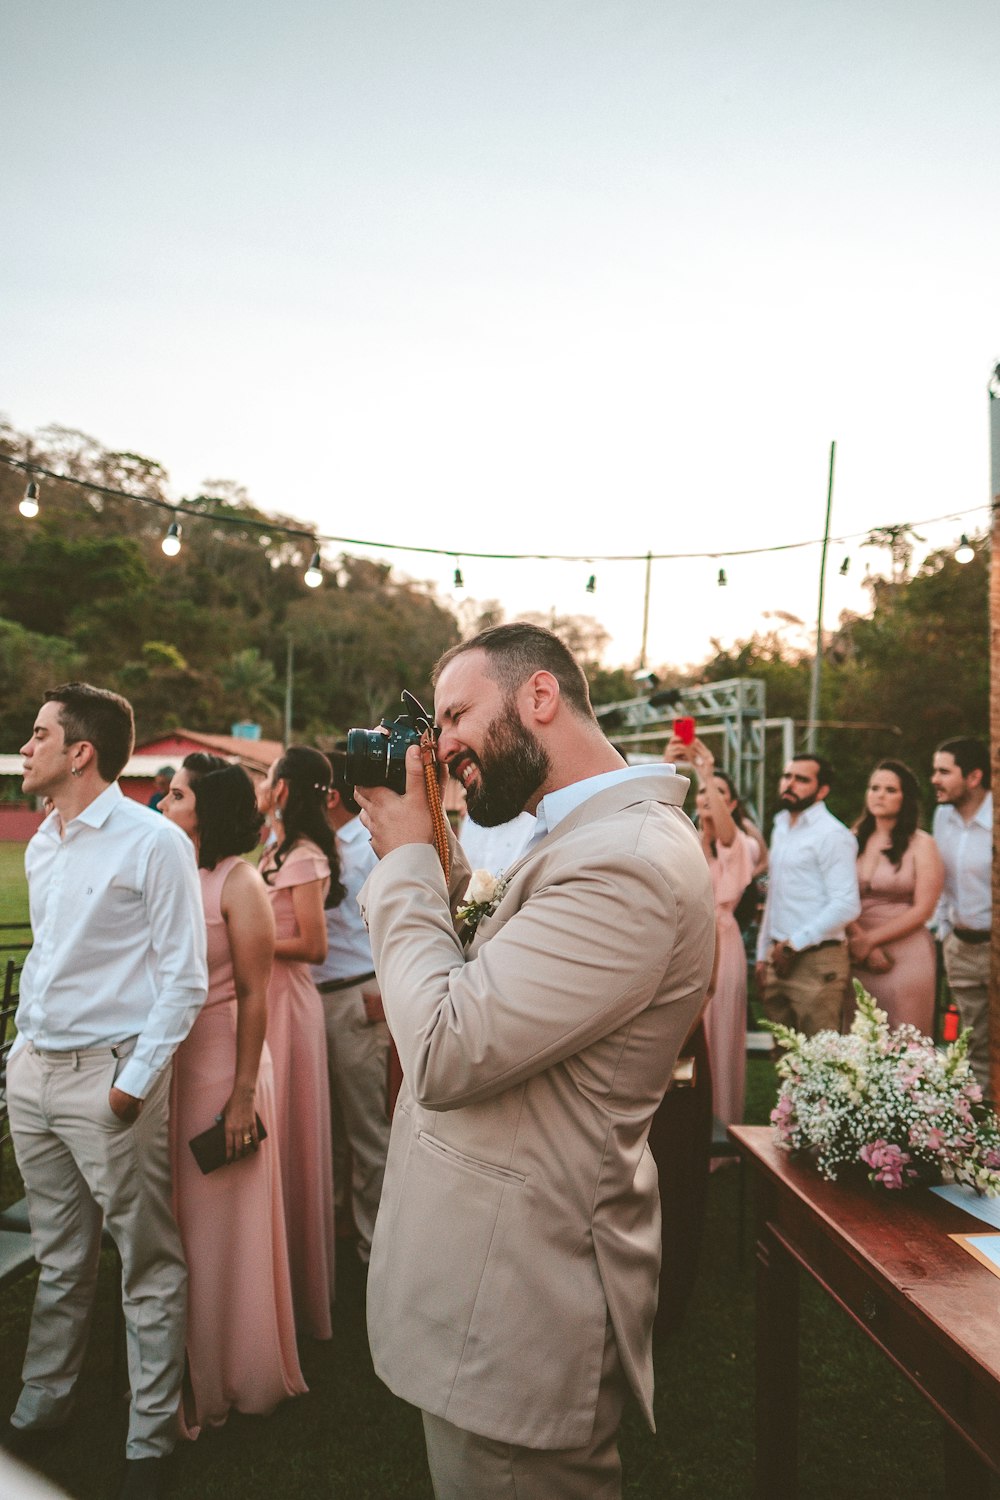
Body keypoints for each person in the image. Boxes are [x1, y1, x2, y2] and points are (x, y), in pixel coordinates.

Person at [355, 623, 715, 1500]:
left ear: (540, 697)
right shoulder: (581, 837)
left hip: (518, 1299)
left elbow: (441, 1049)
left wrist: (404, 859)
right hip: (491, 1266)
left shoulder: (625, 860)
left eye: (454, 715)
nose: (440, 748)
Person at [5, 684, 207, 1500]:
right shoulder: (42, 844)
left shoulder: (152, 841)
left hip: (107, 1081)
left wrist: (129, 1088)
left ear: (80, 751)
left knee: (146, 1262)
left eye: (38, 733)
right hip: (35, 1077)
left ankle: (149, 1440)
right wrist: (19, 1055)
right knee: (58, 1256)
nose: (26, 747)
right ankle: (44, 1402)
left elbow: (183, 981)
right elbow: (50, 961)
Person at [162, 754, 307, 1436]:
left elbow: (256, 992)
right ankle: (180, 1363)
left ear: (206, 809)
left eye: (178, 793)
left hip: (227, 1065)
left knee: (222, 1226)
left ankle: (232, 1372)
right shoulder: (172, 872)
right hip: (171, 1067)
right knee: (179, 1223)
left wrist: (243, 1095)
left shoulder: (239, 879)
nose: (165, 800)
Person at [257, 746, 340, 1339]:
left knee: (291, 1130)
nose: (262, 784)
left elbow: (313, 946)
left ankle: (300, 1287)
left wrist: (248, 940)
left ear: (284, 789)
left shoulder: (307, 857)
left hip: (291, 1004)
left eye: (267, 776)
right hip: (265, 1001)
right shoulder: (273, 849)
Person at [311, 747, 390, 1268]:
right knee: (330, 1128)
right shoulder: (320, 847)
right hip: (315, 1000)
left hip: (358, 996)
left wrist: (386, 994)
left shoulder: (366, 847)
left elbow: (397, 918)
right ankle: (338, 1229)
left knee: (367, 1131)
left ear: (331, 796)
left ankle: (376, 1250)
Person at [666, 733, 755, 1128]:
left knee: (719, 1029)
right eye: (703, 792)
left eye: (718, 793)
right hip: (686, 938)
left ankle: (723, 1128)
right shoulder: (684, 836)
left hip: (724, 938)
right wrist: (670, 766)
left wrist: (706, 771)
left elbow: (729, 836)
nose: (706, 796)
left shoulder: (741, 846)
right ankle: (690, 1117)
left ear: (731, 804)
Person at [755, 752, 860, 1037]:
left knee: (819, 1064)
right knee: (785, 1061)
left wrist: (793, 944)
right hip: (778, 956)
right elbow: (775, 895)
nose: (790, 784)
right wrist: (762, 953)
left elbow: (847, 904)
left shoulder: (832, 835)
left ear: (822, 790)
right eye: (787, 776)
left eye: (802, 779)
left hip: (816, 960)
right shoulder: (781, 826)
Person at [846, 759, 943, 1034]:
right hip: (856, 952)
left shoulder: (923, 844)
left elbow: (924, 909)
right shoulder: (851, 839)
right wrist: (859, 940)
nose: (879, 795)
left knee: (904, 1039)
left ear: (905, 797)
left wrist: (871, 941)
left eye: (890, 790)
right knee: (857, 1036)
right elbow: (837, 894)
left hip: (905, 951)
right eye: (874, 788)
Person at [931, 736, 992, 1092]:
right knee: (972, 1044)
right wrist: (944, 931)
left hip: (994, 947)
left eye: (944, 771)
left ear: (973, 777)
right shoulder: (943, 818)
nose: (934, 779)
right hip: (961, 947)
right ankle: (982, 1135)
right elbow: (941, 878)